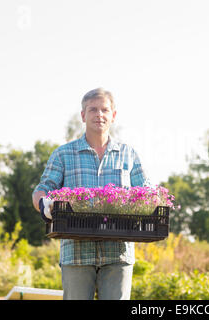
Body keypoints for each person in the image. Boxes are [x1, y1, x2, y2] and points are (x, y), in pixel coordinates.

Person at [32, 87, 150, 300]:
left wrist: (154, 203)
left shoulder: (128, 154)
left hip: (118, 253)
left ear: (113, 116)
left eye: (105, 110)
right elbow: (42, 189)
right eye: (93, 109)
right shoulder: (63, 154)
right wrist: (44, 204)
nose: (99, 115)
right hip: (76, 252)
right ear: (83, 115)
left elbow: (147, 193)